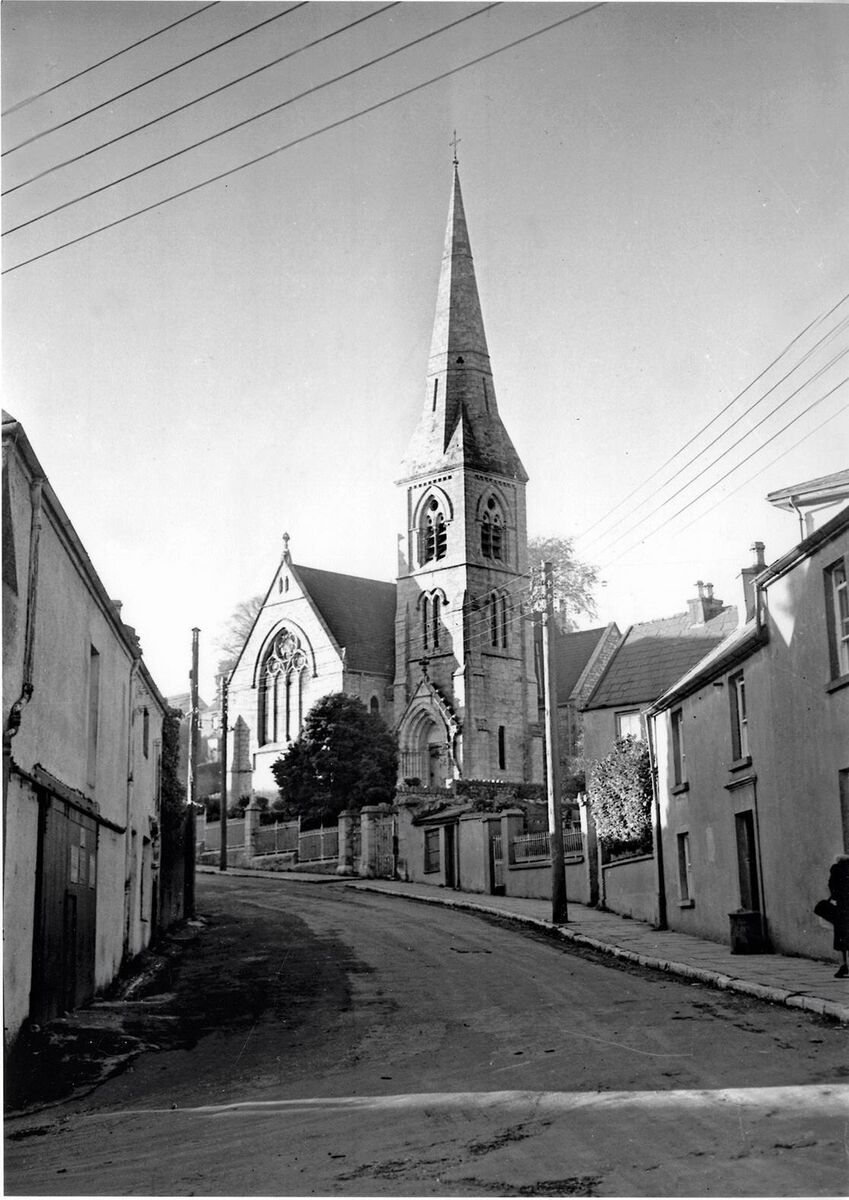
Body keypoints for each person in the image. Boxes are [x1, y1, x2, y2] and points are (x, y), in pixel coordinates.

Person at [828, 854, 849, 978]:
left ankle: (844, 965)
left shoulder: (836, 869)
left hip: (842, 909)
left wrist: (835, 898)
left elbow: (832, 886)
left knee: (841, 939)